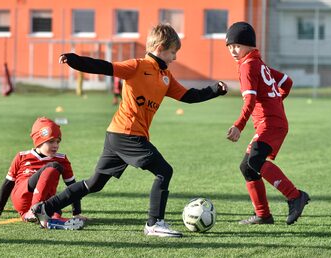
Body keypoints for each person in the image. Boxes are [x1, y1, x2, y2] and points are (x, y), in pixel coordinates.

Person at [30, 23, 228, 237]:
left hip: (118, 135)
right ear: (161, 47)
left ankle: (44, 208)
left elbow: (189, 96)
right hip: (127, 134)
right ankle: (154, 224)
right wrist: (74, 60)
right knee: (164, 171)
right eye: (173, 52)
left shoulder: (165, 77)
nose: (175, 58)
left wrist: (215, 90)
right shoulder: (137, 66)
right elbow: (104, 67)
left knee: (94, 183)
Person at [225, 21, 310, 225]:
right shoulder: (259, 64)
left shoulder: (247, 66)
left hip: (270, 124)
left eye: (237, 45)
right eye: (230, 47)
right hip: (273, 122)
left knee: (254, 161)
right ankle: (263, 215)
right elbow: (286, 82)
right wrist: (276, 102)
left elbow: (250, 100)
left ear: (250, 46)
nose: (233, 51)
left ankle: (295, 196)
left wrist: (238, 125)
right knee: (247, 166)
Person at [0, 117, 87, 230]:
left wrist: (76, 213)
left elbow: (72, 186)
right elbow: (8, 184)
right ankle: (34, 211)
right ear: (39, 141)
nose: (56, 145)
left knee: (55, 210)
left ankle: (48, 221)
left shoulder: (62, 159)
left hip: (46, 202)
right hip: (22, 196)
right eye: (51, 141)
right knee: (53, 167)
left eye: (58, 141)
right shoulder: (22, 156)